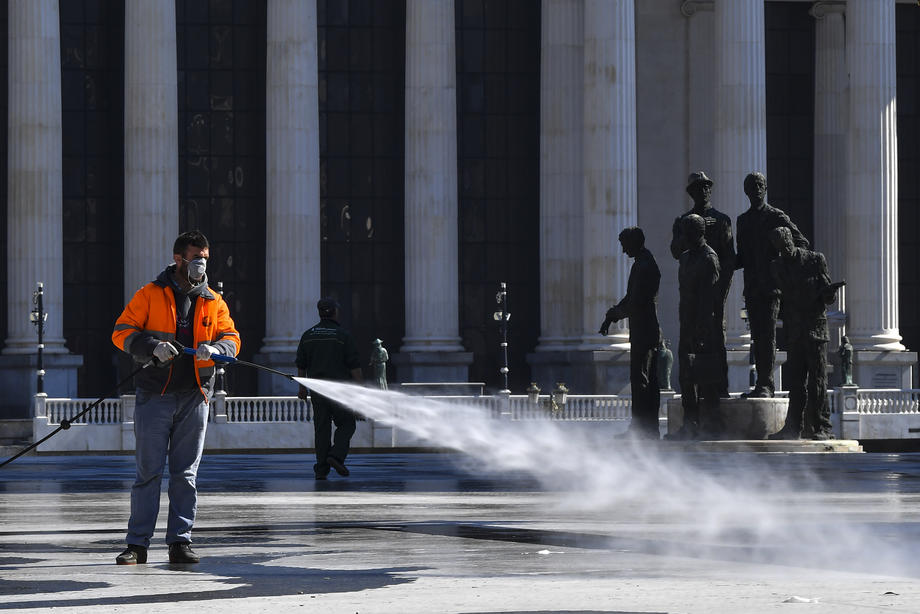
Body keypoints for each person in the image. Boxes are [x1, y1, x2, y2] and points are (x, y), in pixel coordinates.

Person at [111, 230, 240, 565]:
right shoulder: (149, 294)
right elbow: (121, 332)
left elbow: (232, 337)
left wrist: (217, 349)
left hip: (195, 395)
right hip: (156, 393)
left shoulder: (214, 300)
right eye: (196, 257)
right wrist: (152, 346)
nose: (201, 264)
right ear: (178, 258)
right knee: (148, 473)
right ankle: (137, 545)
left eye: (205, 259)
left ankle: (180, 541)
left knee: (185, 474)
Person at [735, 172, 809, 398]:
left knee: (767, 336)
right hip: (753, 287)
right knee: (758, 337)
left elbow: (801, 244)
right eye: (752, 186)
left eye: (760, 185)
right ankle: (761, 383)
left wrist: (780, 263)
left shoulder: (776, 216)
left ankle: (766, 384)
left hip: (771, 287)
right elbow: (742, 257)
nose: (756, 189)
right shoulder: (743, 220)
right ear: (746, 191)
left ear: (765, 188)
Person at [767, 227, 842, 440]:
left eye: (787, 245)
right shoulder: (777, 266)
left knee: (817, 380)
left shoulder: (815, 260)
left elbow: (828, 298)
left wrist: (829, 293)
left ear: (792, 240)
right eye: (781, 248)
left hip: (815, 329)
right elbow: (781, 298)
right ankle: (792, 427)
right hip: (795, 330)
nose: (786, 250)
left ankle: (821, 427)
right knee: (795, 381)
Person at [670, 171, 735, 397]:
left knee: (716, 342)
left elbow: (729, 260)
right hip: (691, 292)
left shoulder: (721, 220)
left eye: (706, 187)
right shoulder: (682, 221)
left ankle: (719, 391)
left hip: (713, 289)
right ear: (691, 192)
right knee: (687, 346)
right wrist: (684, 232)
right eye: (698, 188)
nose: (704, 191)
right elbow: (675, 252)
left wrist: (721, 293)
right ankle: (692, 399)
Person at [599, 227, 662, 439]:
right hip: (643, 329)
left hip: (645, 330)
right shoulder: (642, 263)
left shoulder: (644, 266)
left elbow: (636, 302)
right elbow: (630, 298)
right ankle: (645, 428)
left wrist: (615, 314)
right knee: (644, 379)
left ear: (634, 242)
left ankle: (643, 429)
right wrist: (612, 315)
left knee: (642, 380)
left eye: (624, 245)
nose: (623, 251)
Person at [296, 298, 363, 479]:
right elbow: (354, 365)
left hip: (317, 390)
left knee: (322, 430)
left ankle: (321, 470)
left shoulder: (308, 335)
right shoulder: (342, 336)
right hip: (341, 391)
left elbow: (301, 365)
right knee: (347, 424)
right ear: (335, 311)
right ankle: (336, 456)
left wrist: (302, 388)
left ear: (319, 312)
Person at [671, 214, 721, 440]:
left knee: (704, 376)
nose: (684, 237)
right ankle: (689, 423)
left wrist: (702, 330)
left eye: (686, 232)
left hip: (703, 327)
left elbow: (709, 298)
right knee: (686, 376)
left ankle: (707, 426)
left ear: (697, 233)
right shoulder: (684, 258)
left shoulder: (709, 258)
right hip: (686, 323)